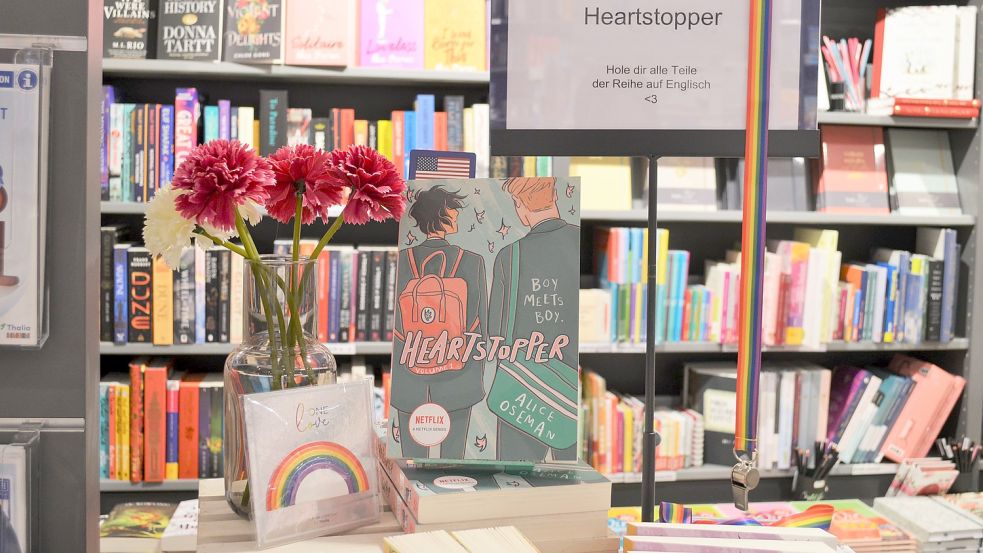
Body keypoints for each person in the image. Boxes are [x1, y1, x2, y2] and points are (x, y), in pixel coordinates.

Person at [391, 186, 487, 459]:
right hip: (459, 378)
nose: (456, 214)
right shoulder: (472, 261)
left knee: (410, 461)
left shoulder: (402, 260)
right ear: (440, 214)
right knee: (454, 459)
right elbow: (482, 324)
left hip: (409, 379)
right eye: (452, 209)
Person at [487, 177, 580, 462]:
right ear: (555, 198)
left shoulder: (510, 255)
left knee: (514, 478)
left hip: (523, 389)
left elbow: (494, 331)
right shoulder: (580, 240)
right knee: (571, 476)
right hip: (572, 391)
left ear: (520, 205)